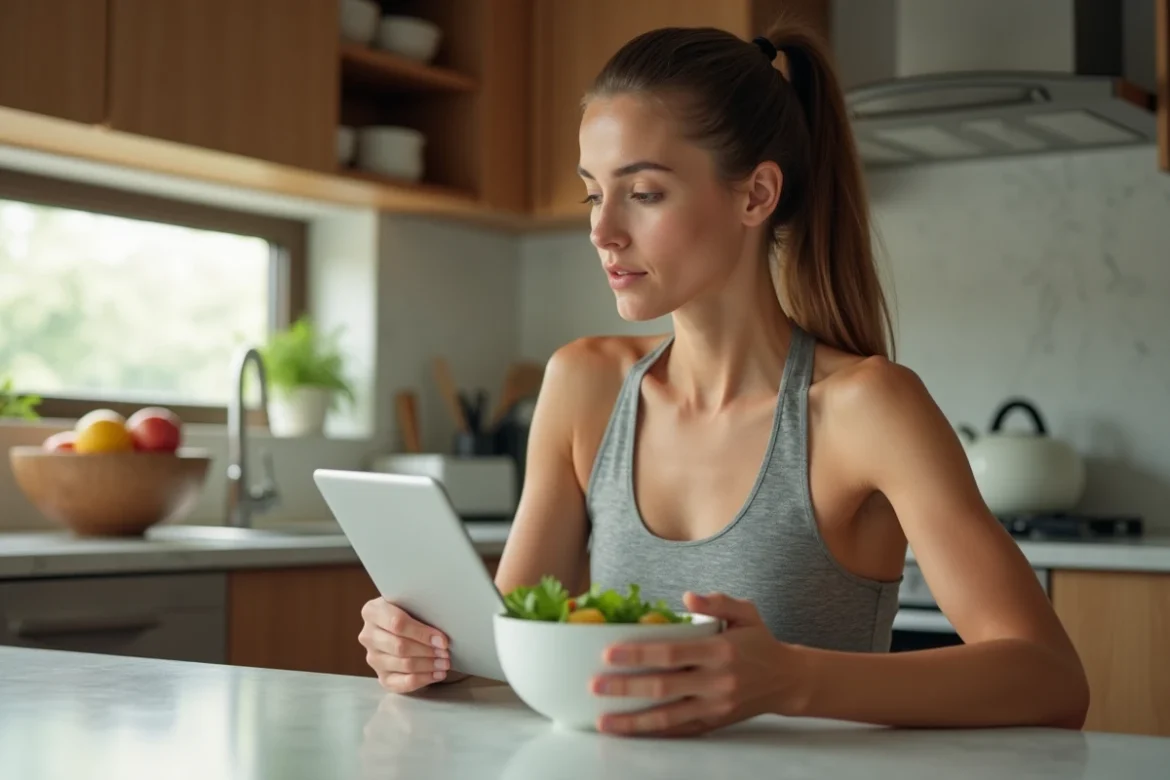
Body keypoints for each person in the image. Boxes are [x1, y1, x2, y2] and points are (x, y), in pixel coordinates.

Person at [358, 16, 1089, 737]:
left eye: (642, 193)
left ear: (755, 196)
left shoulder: (868, 408)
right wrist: (431, 650)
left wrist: (791, 678)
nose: (601, 229)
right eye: (592, 193)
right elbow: (511, 645)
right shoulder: (583, 385)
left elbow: (1050, 677)